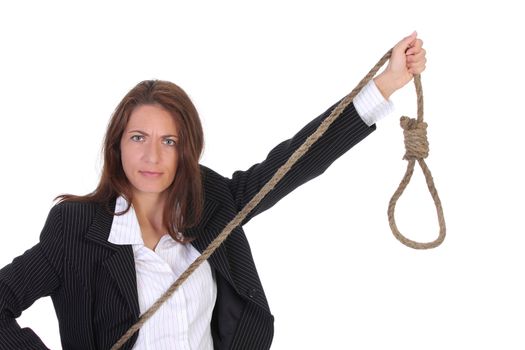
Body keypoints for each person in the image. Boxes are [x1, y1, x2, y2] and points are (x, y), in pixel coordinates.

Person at [0, 32, 426, 350]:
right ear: (116, 144)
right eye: (138, 138)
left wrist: (385, 84)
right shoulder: (78, 229)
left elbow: (293, 164)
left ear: (186, 149)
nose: (152, 156)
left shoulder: (212, 202)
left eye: (168, 141)